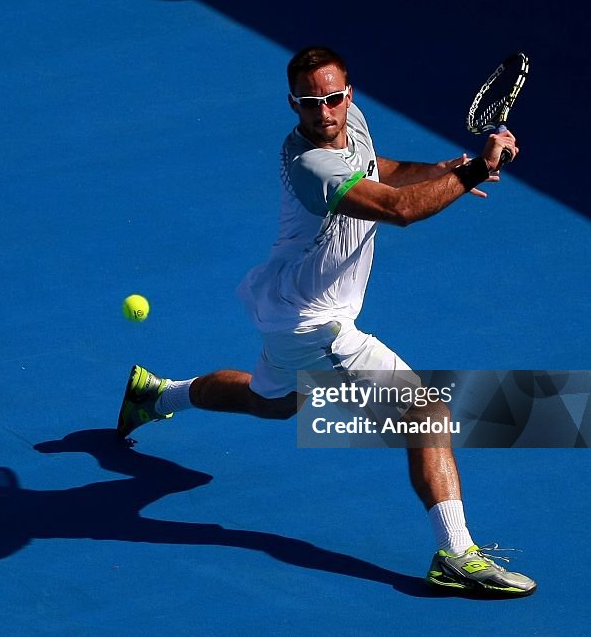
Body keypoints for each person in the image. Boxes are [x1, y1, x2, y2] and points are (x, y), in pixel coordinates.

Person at [116, 46, 536, 597]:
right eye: (310, 103)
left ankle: (157, 395)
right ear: (293, 104)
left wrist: (440, 171)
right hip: (317, 324)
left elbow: (379, 171)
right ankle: (456, 554)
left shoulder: (352, 125)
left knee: (273, 403)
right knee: (424, 410)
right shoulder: (308, 163)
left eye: (334, 98)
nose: (325, 112)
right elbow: (397, 209)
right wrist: (479, 167)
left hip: (283, 308)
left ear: (349, 94)